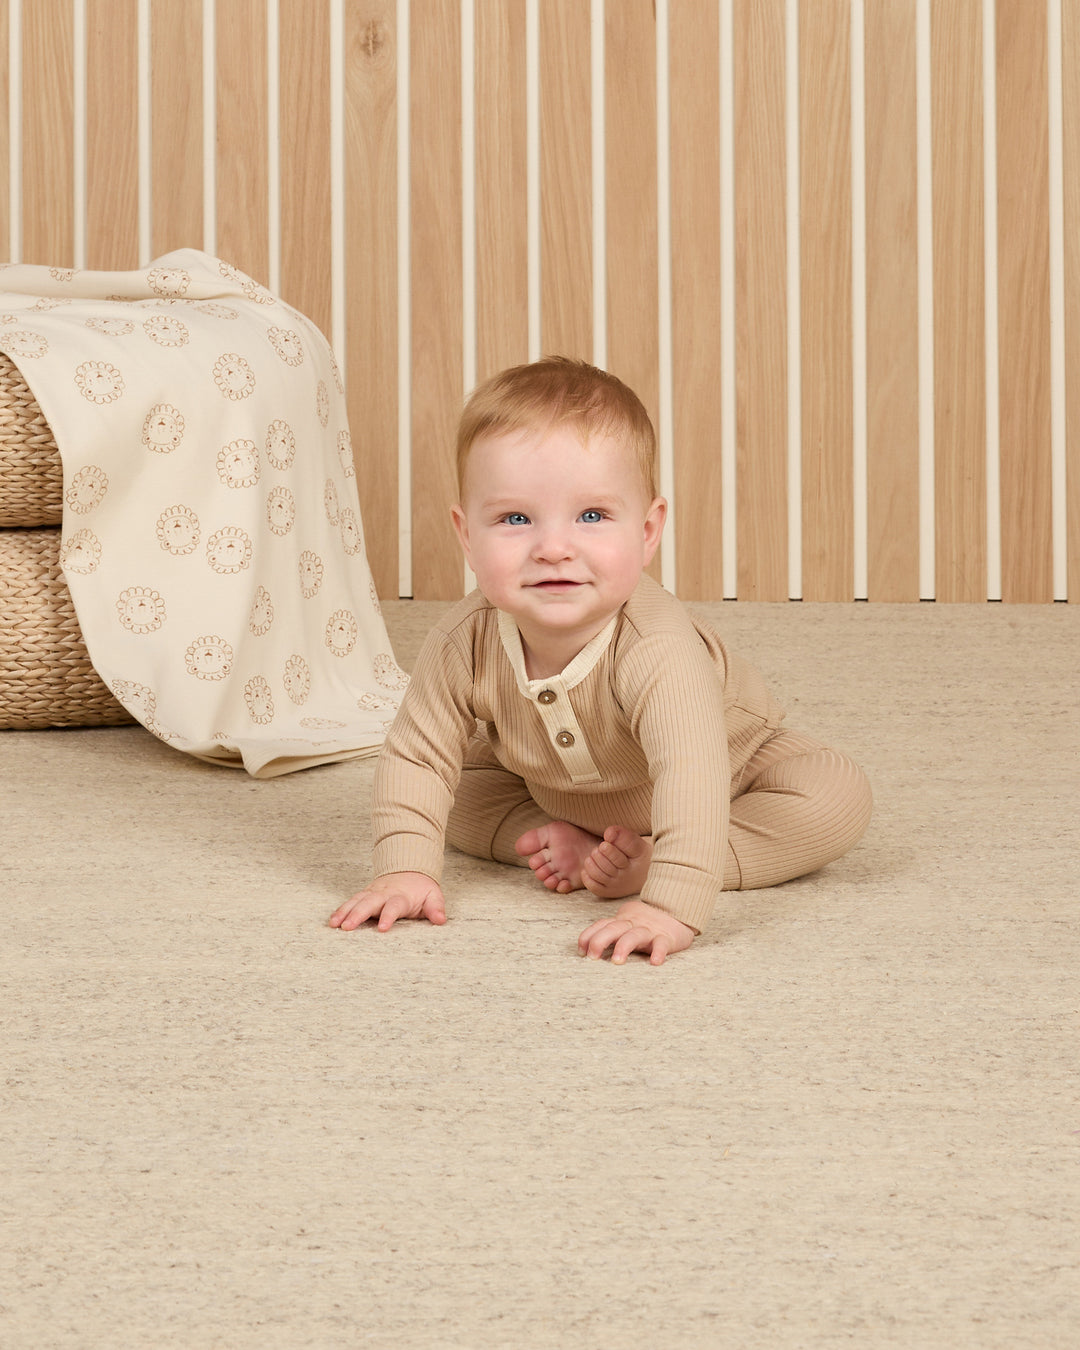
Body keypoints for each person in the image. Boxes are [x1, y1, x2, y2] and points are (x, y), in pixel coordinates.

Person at [330, 358, 872, 964]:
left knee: (834, 794)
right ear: (466, 535)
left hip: (728, 777)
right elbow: (417, 752)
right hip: (551, 785)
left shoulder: (655, 648)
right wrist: (404, 870)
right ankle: (558, 843)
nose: (554, 549)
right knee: (445, 790)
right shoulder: (465, 640)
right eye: (515, 519)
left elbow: (689, 774)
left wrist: (668, 902)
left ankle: (649, 863)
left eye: (591, 516)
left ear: (647, 530)